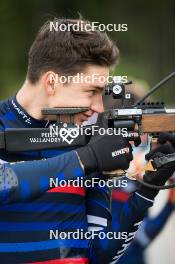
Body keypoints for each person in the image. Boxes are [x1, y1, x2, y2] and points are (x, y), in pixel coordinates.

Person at [0, 18, 175, 264]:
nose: (98, 107)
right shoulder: (85, 153)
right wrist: (87, 159)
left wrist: (147, 188)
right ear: (52, 82)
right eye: (90, 92)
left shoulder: (86, 140)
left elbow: (100, 254)